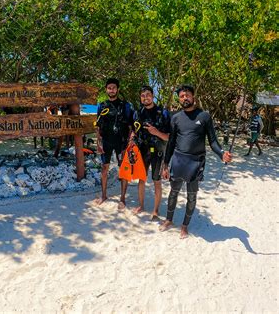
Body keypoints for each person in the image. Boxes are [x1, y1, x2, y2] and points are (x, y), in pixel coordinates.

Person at [159, 84, 233, 238]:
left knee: (191, 196)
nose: (184, 98)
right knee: (173, 192)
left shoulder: (204, 116)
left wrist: (221, 154)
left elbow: (213, 141)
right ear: (179, 99)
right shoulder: (176, 118)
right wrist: (165, 164)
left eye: (187, 95)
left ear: (193, 97)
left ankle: (184, 226)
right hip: (178, 160)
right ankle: (169, 219)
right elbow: (171, 142)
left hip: (195, 163)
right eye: (181, 96)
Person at [94, 78, 134, 209]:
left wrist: (129, 143)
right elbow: (98, 126)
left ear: (118, 89)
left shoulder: (125, 105)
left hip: (121, 142)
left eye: (114, 87)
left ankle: (122, 198)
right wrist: (98, 143)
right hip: (106, 141)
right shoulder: (102, 105)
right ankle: (104, 195)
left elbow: (130, 126)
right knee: (104, 169)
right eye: (109, 88)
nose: (111, 90)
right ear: (106, 90)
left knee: (123, 170)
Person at [133, 86, 170, 219]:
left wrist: (156, 132)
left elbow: (169, 137)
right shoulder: (138, 113)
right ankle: (141, 206)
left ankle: (155, 210)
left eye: (148, 95)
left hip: (158, 151)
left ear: (153, 96)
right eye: (142, 95)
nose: (145, 97)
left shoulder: (163, 113)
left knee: (156, 181)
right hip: (142, 151)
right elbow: (134, 131)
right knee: (141, 180)